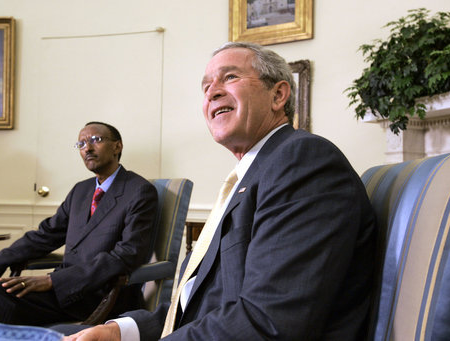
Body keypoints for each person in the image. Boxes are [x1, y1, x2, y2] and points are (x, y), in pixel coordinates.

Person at [60, 42, 377, 340]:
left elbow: (268, 320)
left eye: (230, 77)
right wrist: (122, 330)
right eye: (206, 86)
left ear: (278, 95)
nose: (212, 92)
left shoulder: (303, 163)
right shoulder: (255, 173)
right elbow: (202, 305)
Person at [0, 121, 158, 326]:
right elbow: (45, 236)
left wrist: (52, 281)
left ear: (117, 146)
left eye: (96, 139)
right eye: (81, 144)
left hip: (97, 292)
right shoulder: (81, 190)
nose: (88, 148)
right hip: (62, 288)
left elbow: (128, 254)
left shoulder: (138, 190)